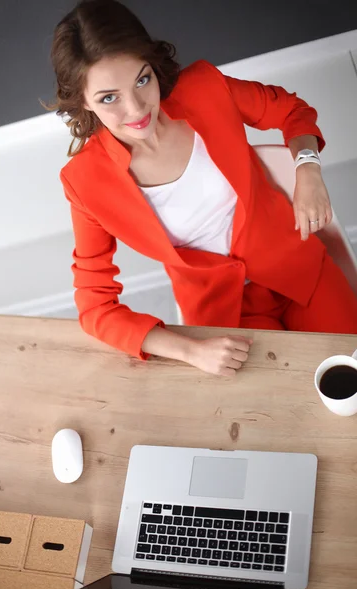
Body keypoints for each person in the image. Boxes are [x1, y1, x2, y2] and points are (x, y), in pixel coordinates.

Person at [49, 0, 357, 377]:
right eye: (108, 98)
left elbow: (291, 111)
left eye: (142, 80)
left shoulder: (205, 88)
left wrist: (307, 171)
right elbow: (96, 308)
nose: (136, 109)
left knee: (350, 376)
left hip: (298, 269)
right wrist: (190, 351)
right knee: (275, 418)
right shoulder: (85, 183)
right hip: (223, 319)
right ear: (81, 100)